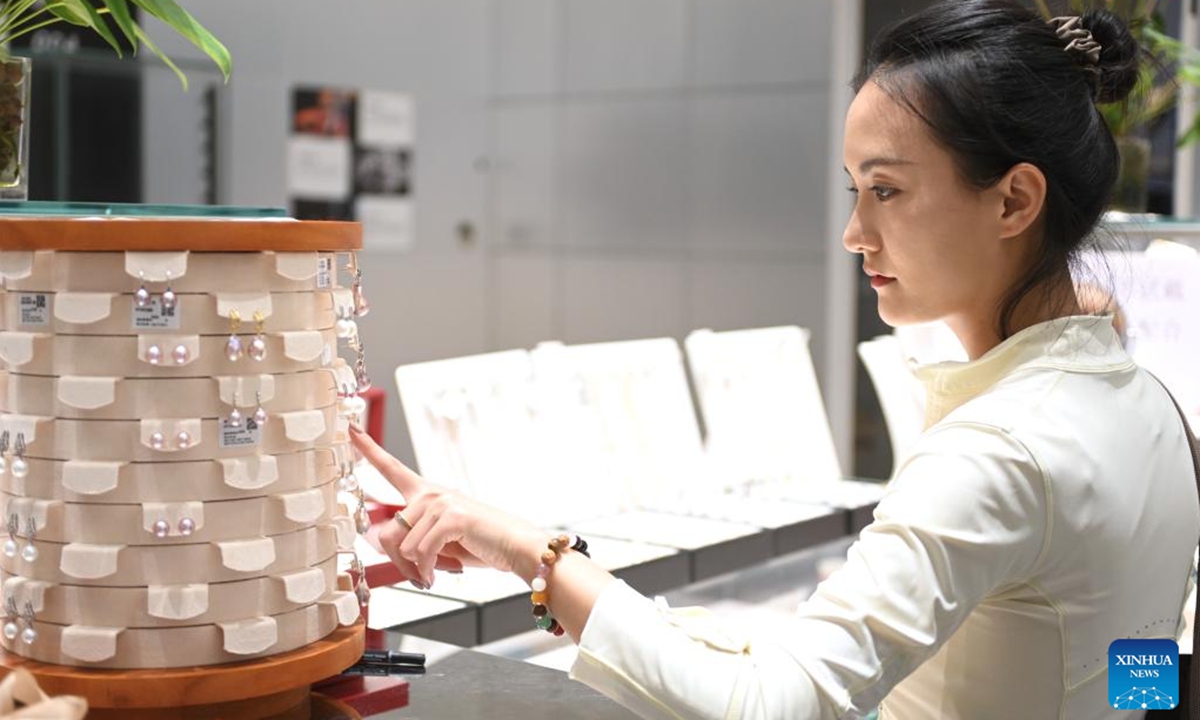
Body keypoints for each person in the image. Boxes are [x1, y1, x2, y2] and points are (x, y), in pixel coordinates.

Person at [350, 1, 1200, 717]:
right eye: (853, 190)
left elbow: (772, 706)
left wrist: (533, 553)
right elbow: (1138, 664)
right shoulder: (1147, 402)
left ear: (1014, 199)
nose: (854, 234)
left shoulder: (1002, 449)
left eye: (888, 190)